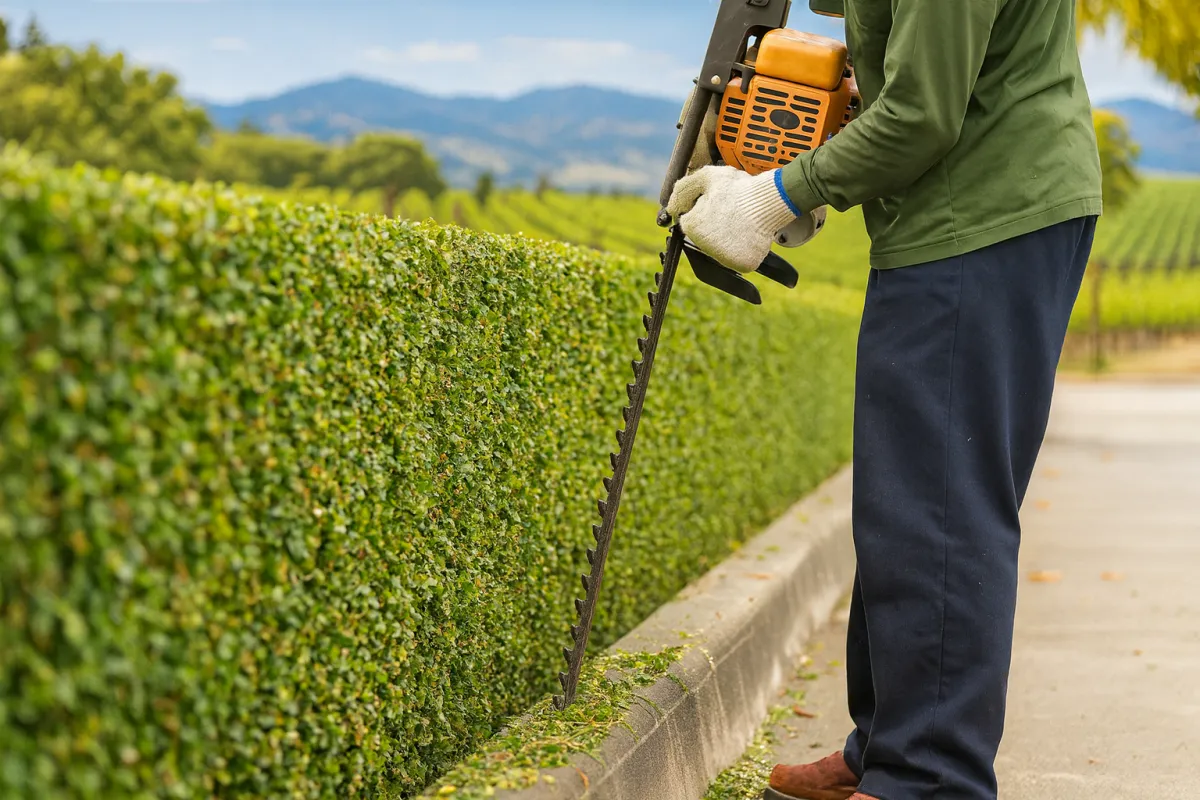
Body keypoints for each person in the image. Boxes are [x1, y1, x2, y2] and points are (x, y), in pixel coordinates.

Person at [667, 0, 1103, 797]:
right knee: (906, 500)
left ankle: (929, 776)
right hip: (964, 211)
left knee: (940, 506)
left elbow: (922, 113)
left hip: (981, 217)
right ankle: (890, 746)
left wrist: (777, 194)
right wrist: (787, 137)